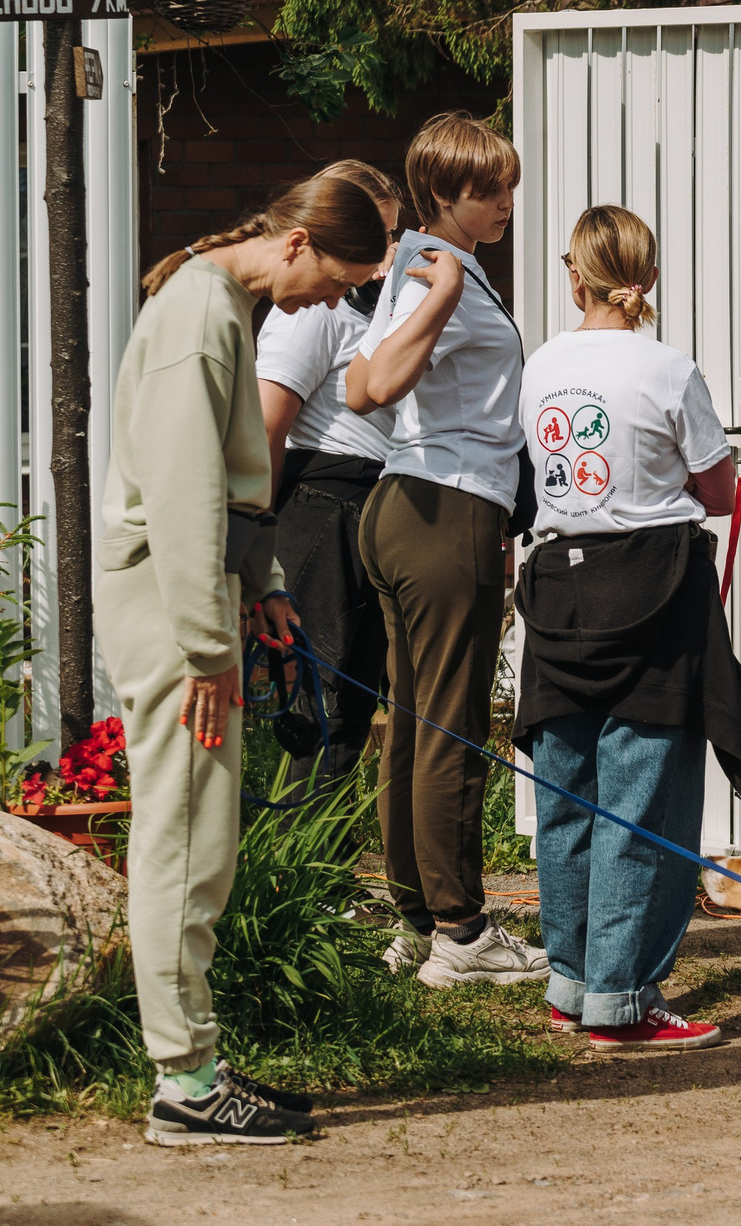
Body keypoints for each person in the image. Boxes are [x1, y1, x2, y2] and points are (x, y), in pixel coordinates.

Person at [107, 177, 387, 1145]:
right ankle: (183, 1082)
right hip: (176, 614)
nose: (329, 304)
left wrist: (264, 585)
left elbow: (231, 487)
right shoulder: (199, 317)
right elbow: (184, 494)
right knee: (185, 844)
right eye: (338, 281)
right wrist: (208, 648)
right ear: (299, 242)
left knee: (203, 841)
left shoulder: (216, 302)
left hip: (206, 602)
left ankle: (198, 1059)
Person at [515, 205, 741, 1051]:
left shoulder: (540, 366)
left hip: (557, 590)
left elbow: (532, 476)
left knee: (567, 793)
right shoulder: (669, 369)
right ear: (646, 280)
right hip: (653, 584)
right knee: (643, 800)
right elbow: (719, 493)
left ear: (573, 275)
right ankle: (622, 998)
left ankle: (571, 981)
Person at [348, 112, 548, 988]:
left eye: (507, 182)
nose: (506, 200)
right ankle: (461, 934)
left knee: (410, 726)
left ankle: (417, 919)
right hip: (444, 508)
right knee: (449, 726)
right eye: (487, 188)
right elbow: (370, 387)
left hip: (407, 504)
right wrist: (441, 299)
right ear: (441, 192)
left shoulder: (426, 266)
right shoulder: (442, 269)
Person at [257, 159, 404, 795]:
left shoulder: (368, 303)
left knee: (354, 694)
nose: (386, 252)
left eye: (394, 235)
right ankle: (306, 876)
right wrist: (258, 541)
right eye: (377, 234)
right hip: (321, 504)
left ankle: (328, 871)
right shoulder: (311, 309)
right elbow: (266, 423)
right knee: (327, 699)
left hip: (370, 502)